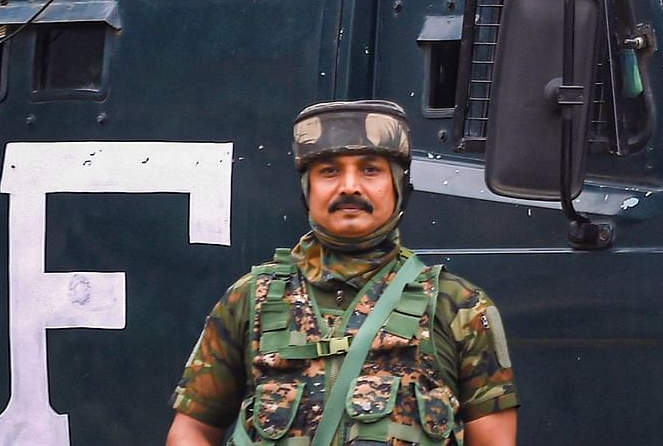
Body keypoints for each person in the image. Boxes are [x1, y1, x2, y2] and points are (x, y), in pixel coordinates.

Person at [166, 100, 518, 446]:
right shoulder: (249, 300)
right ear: (307, 188)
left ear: (398, 185)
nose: (349, 186)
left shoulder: (458, 306)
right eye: (329, 171)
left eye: (370, 170)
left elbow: (494, 439)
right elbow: (192, 430)